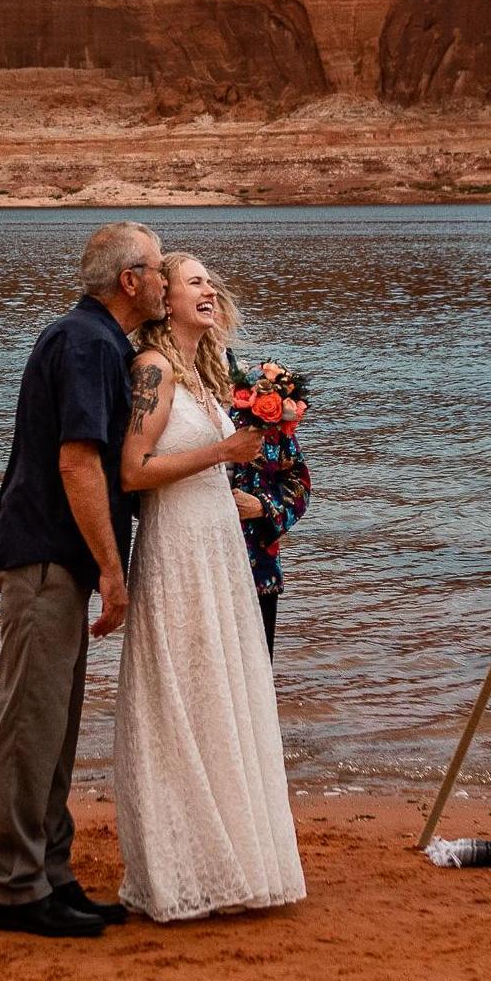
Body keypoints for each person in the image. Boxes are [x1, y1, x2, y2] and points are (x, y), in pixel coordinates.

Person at [111, 252, 307, 922]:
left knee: (221, 693)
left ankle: (233, 859)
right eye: (195, 281)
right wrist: (224, 455)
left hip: (219, 550)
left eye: (211, 283)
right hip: (177, 549)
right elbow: (133, 472)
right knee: (184, 694)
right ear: (165, 297)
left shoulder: (208, 376)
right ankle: (179, 869)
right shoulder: (153, 370)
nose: (210, 291)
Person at [0, 221, 166, 939]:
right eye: (155, 269)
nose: (162, 278)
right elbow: (77, 462)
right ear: (130, 281)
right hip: (44, 558)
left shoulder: (97, 342)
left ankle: (51, 875)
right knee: (30, 726)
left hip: (58, 559)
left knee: (53, 727)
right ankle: (17, 888)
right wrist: (113, 573)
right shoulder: (86, 342)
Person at [221, 319, 312, 658]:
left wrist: (261, 506)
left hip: (258, 568)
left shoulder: (266, 420)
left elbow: (299, 484)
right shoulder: (179, 412)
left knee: (256, 672)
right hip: (196, 563)